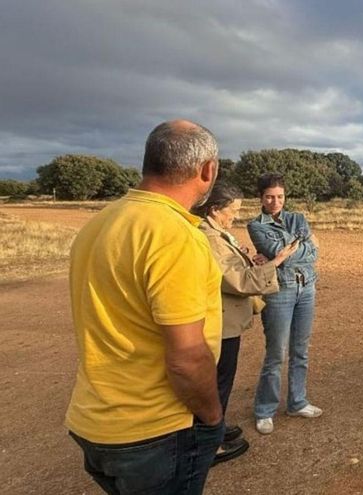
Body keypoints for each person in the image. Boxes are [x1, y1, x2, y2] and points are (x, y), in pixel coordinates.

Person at [65, 120, 224, 494]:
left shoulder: (100, 223)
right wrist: (213, 416)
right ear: (207, 170)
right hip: (155, 430)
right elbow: (187, 357)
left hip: (94, 421)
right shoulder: (174, 235)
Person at [194, 182, 297, 463]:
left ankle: (216, 429)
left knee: (220, 379)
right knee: (218, 382)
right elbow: (237, 282)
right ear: (215, 209)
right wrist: (277, 261)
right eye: (232, 210)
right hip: (220, 322)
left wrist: (251, 260)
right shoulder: (210, 238)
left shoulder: (216, 233)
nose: (235, 216)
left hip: (224, 319)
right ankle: (208, 445)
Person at [248, 173, 322, 435]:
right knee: (276, 352)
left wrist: (287, 250)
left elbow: (314, 252)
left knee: (300, 348)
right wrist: (295, 248)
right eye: (269, 196)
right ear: (261, 197)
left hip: (306, 287)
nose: (275, 201)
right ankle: (265, 409)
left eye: (279, 196)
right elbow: (286, 257)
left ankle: (297, 401)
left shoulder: (297, 218)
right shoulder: (256, 226)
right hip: (280, 290)